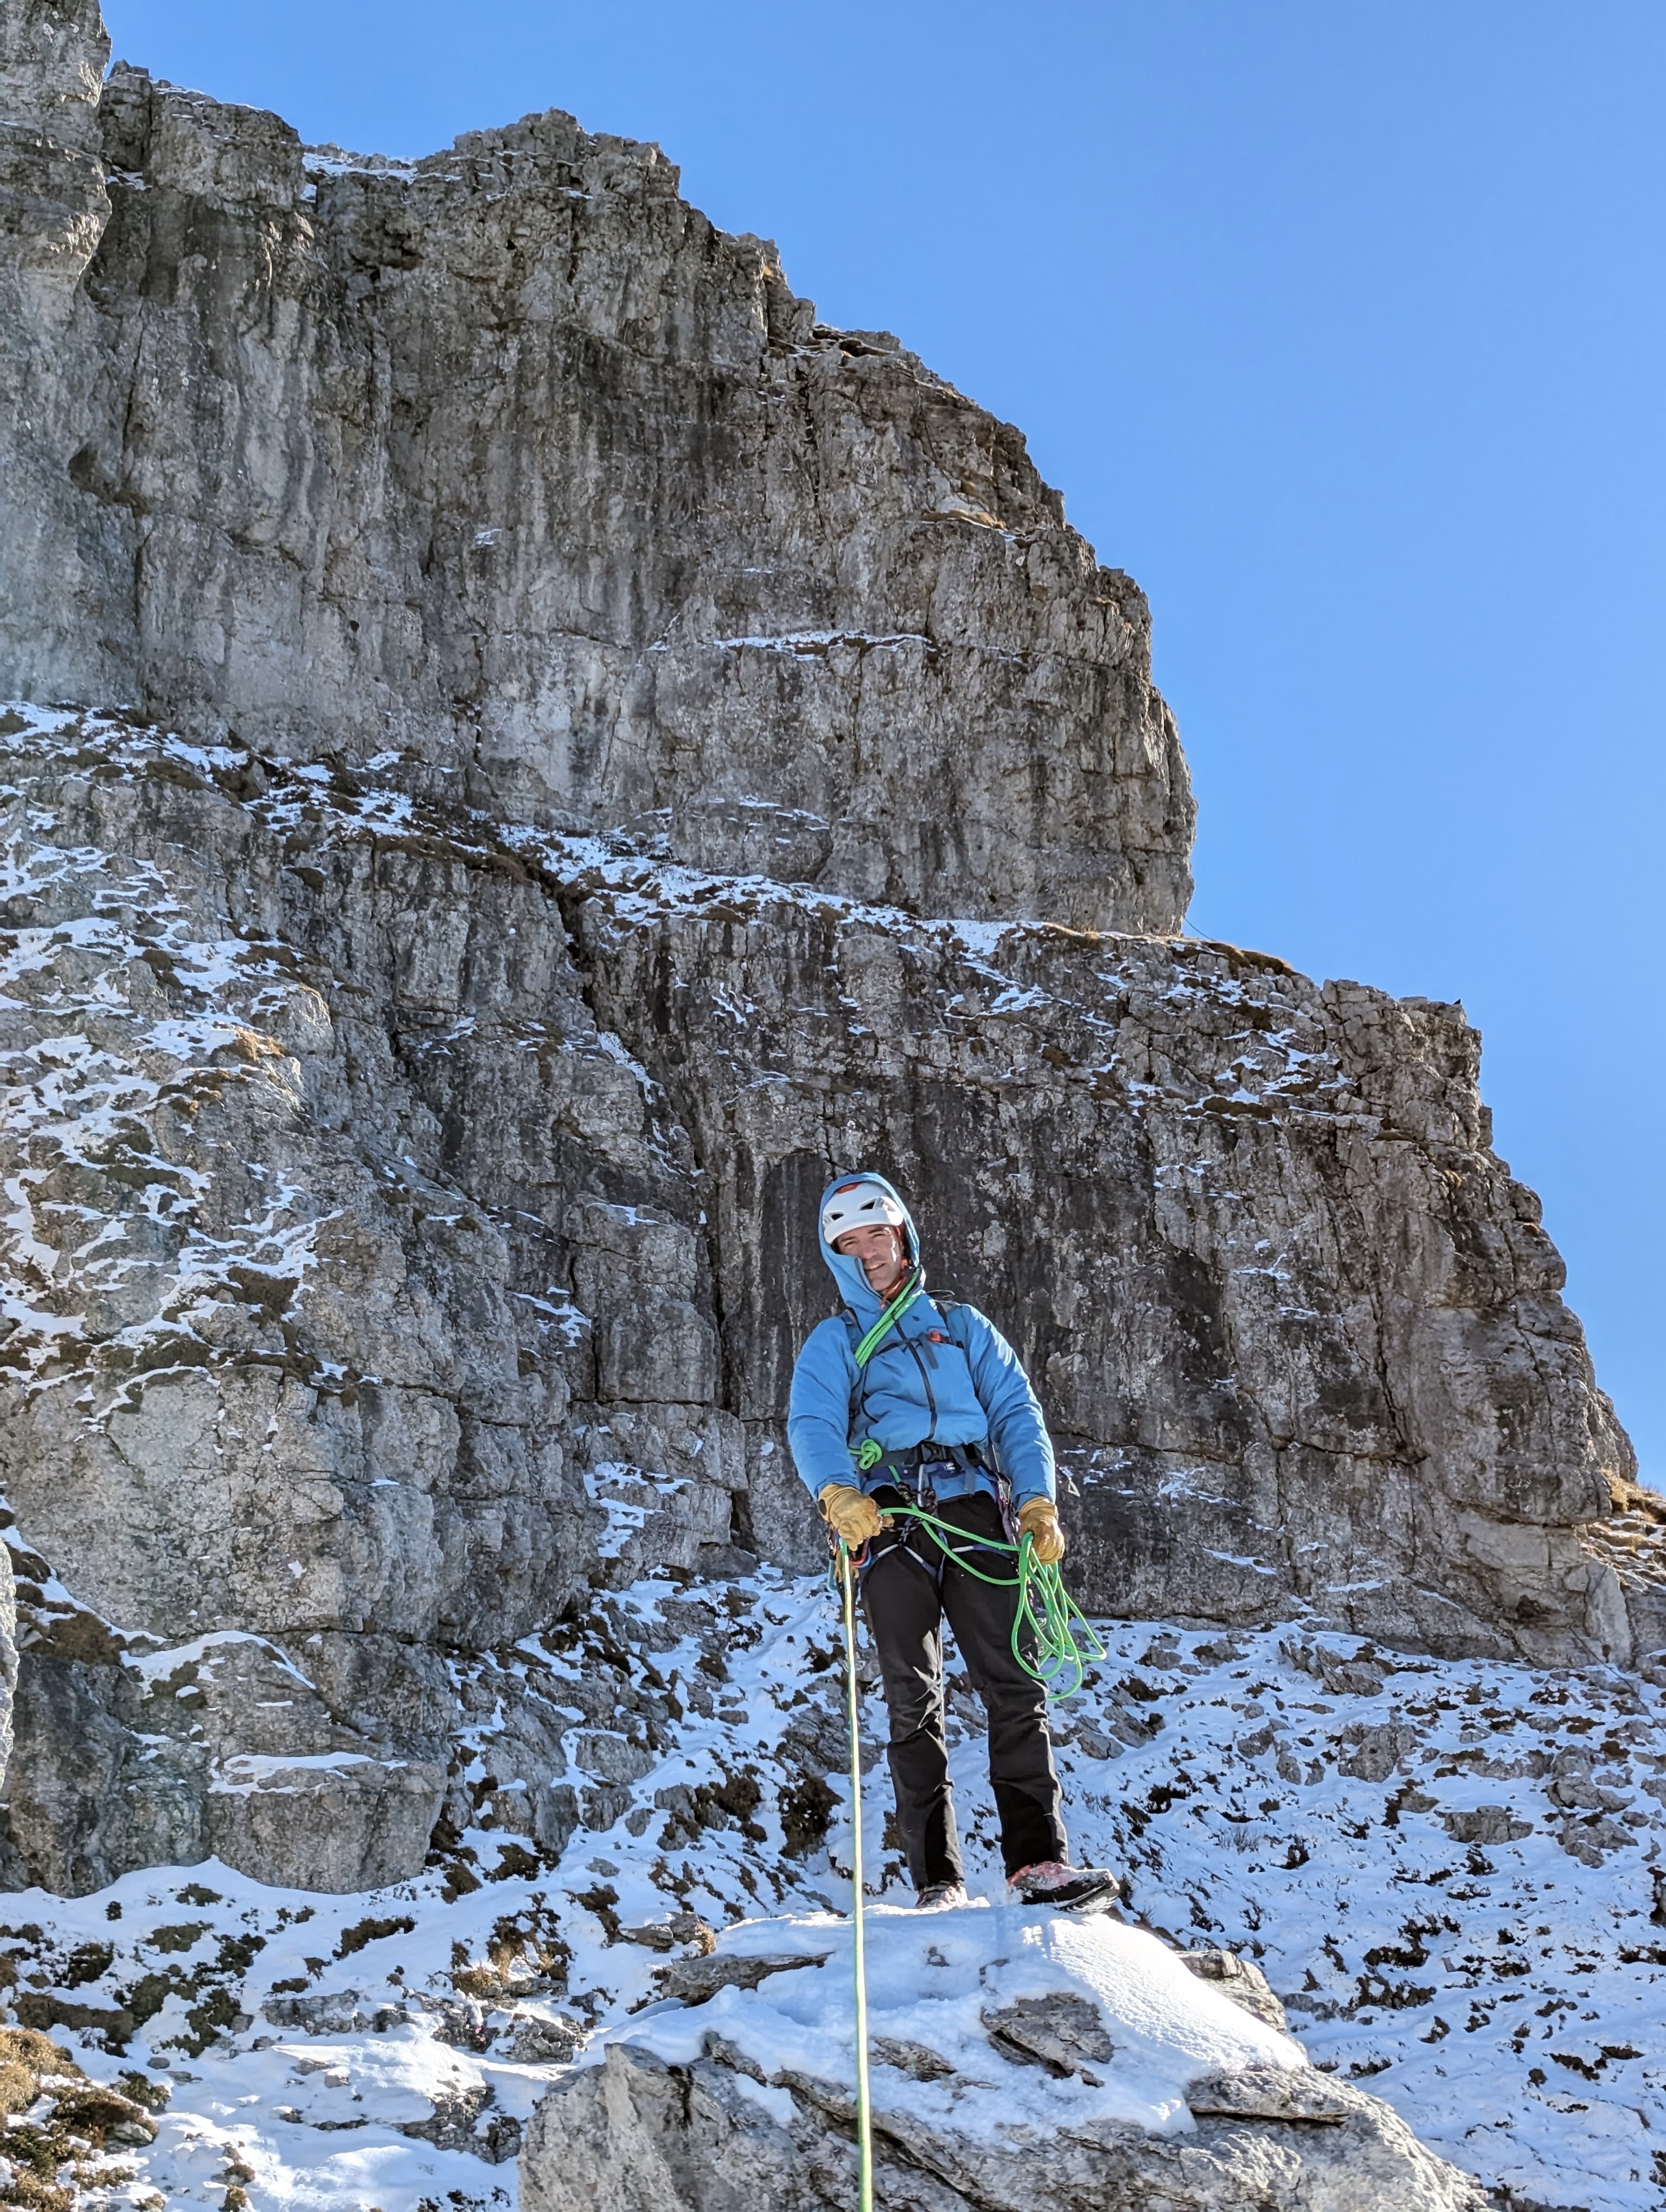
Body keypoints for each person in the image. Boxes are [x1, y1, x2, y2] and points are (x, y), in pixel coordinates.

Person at [787, 1171, 1119, 1914]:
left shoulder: (962, 1325)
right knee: (913, 1698)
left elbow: (1015, 1412)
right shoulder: (835, 1339)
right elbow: (811, 1423)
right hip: (891, 1518)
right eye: (851, 1242)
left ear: (901, 1235)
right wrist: (839, 1493)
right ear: (836, 1255)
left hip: (974, 1507)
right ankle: (938, 1881)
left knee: (1014, 1684)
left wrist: (1037, 1500)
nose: (868, 1250)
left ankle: (1039, 1865)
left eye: (878, 1233)